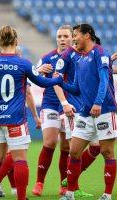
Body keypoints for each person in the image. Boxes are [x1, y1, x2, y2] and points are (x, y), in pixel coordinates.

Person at [0, 25, 63, 200]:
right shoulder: (23, 63)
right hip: (15, 119)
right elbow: (41, 83)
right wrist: (58, 78)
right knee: (20, 159)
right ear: (16, 42)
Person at [58, 23, 117, 200]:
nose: (73, 39)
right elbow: (76, 88)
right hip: (85, 112)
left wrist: (98, 102)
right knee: (74, 152)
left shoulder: (100, 53)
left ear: (87, 35)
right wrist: (58, 82)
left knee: (107, 152)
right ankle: (69, 194)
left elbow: (104, 81)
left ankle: (107, 195)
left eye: (75, 35)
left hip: (105, 110)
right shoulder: (80, 59)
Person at [0, 46, 42, 198]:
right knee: (19, 158)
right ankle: (18, 194)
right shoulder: (21, 67)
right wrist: (35, 116)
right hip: (14, 119)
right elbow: (28, 92)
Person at [32, 25, 73, 197]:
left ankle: (64, 185)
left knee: (66, 147)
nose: (62, 39)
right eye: (59, 36)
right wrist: (38, 71)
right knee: (49, 143)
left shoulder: (77, 57)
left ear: (72, 38)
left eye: (65, 36)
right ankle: (39, 182)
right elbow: (33, 77)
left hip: (70, 105)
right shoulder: (48, 58)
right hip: (50, 103)